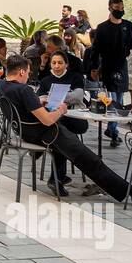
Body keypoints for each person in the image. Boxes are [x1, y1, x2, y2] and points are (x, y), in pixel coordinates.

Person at [0, 56, 132, 203]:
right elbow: (47, 121)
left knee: (68, 146)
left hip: (25, 133)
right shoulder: (23, 90)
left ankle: (58, 179)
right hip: (47, 134)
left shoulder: (2, 85)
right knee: (92, 162)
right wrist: (61, 109)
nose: (28, 76)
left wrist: (38, 101)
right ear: (22, 72)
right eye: (28, 73)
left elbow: (21, 106)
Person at [83, 0, 132, 147]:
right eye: (117, 8)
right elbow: (96, 49)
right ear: (110, 8)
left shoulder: (129, 26)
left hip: (121, 65)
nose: (120, 11)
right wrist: (93, 67)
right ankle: (113, 131)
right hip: (107, 65)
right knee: (109, 98)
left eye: (122, 8)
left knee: (120, 99)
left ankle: (112, 130)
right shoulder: (102, 27)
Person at [38, 50, 91, 191]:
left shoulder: (75, 77)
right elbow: (40, 99)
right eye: (54, 63)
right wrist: (63, 96)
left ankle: (57, 177)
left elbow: (78, 96)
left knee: (59, 133)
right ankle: (57, 179)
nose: (56, 66)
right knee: (61, 136)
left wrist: (54, 96)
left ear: (66, 64)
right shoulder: (45, 80)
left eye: (60, 63)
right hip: (56, 120)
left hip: (76, 119)